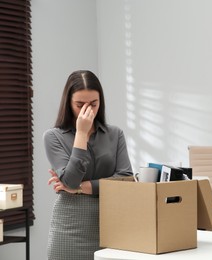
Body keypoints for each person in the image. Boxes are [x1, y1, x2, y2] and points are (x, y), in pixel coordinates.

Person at [43, 70, 133, 260]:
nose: (88, 110)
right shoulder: (53, 137)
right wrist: (81, 134)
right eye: (80, 105)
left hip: (111, 223)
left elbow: (127, 179)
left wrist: (83, 188)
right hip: (69, 227)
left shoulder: (115, 134)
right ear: (68, 103)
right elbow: (71, 180)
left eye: (93, 104)